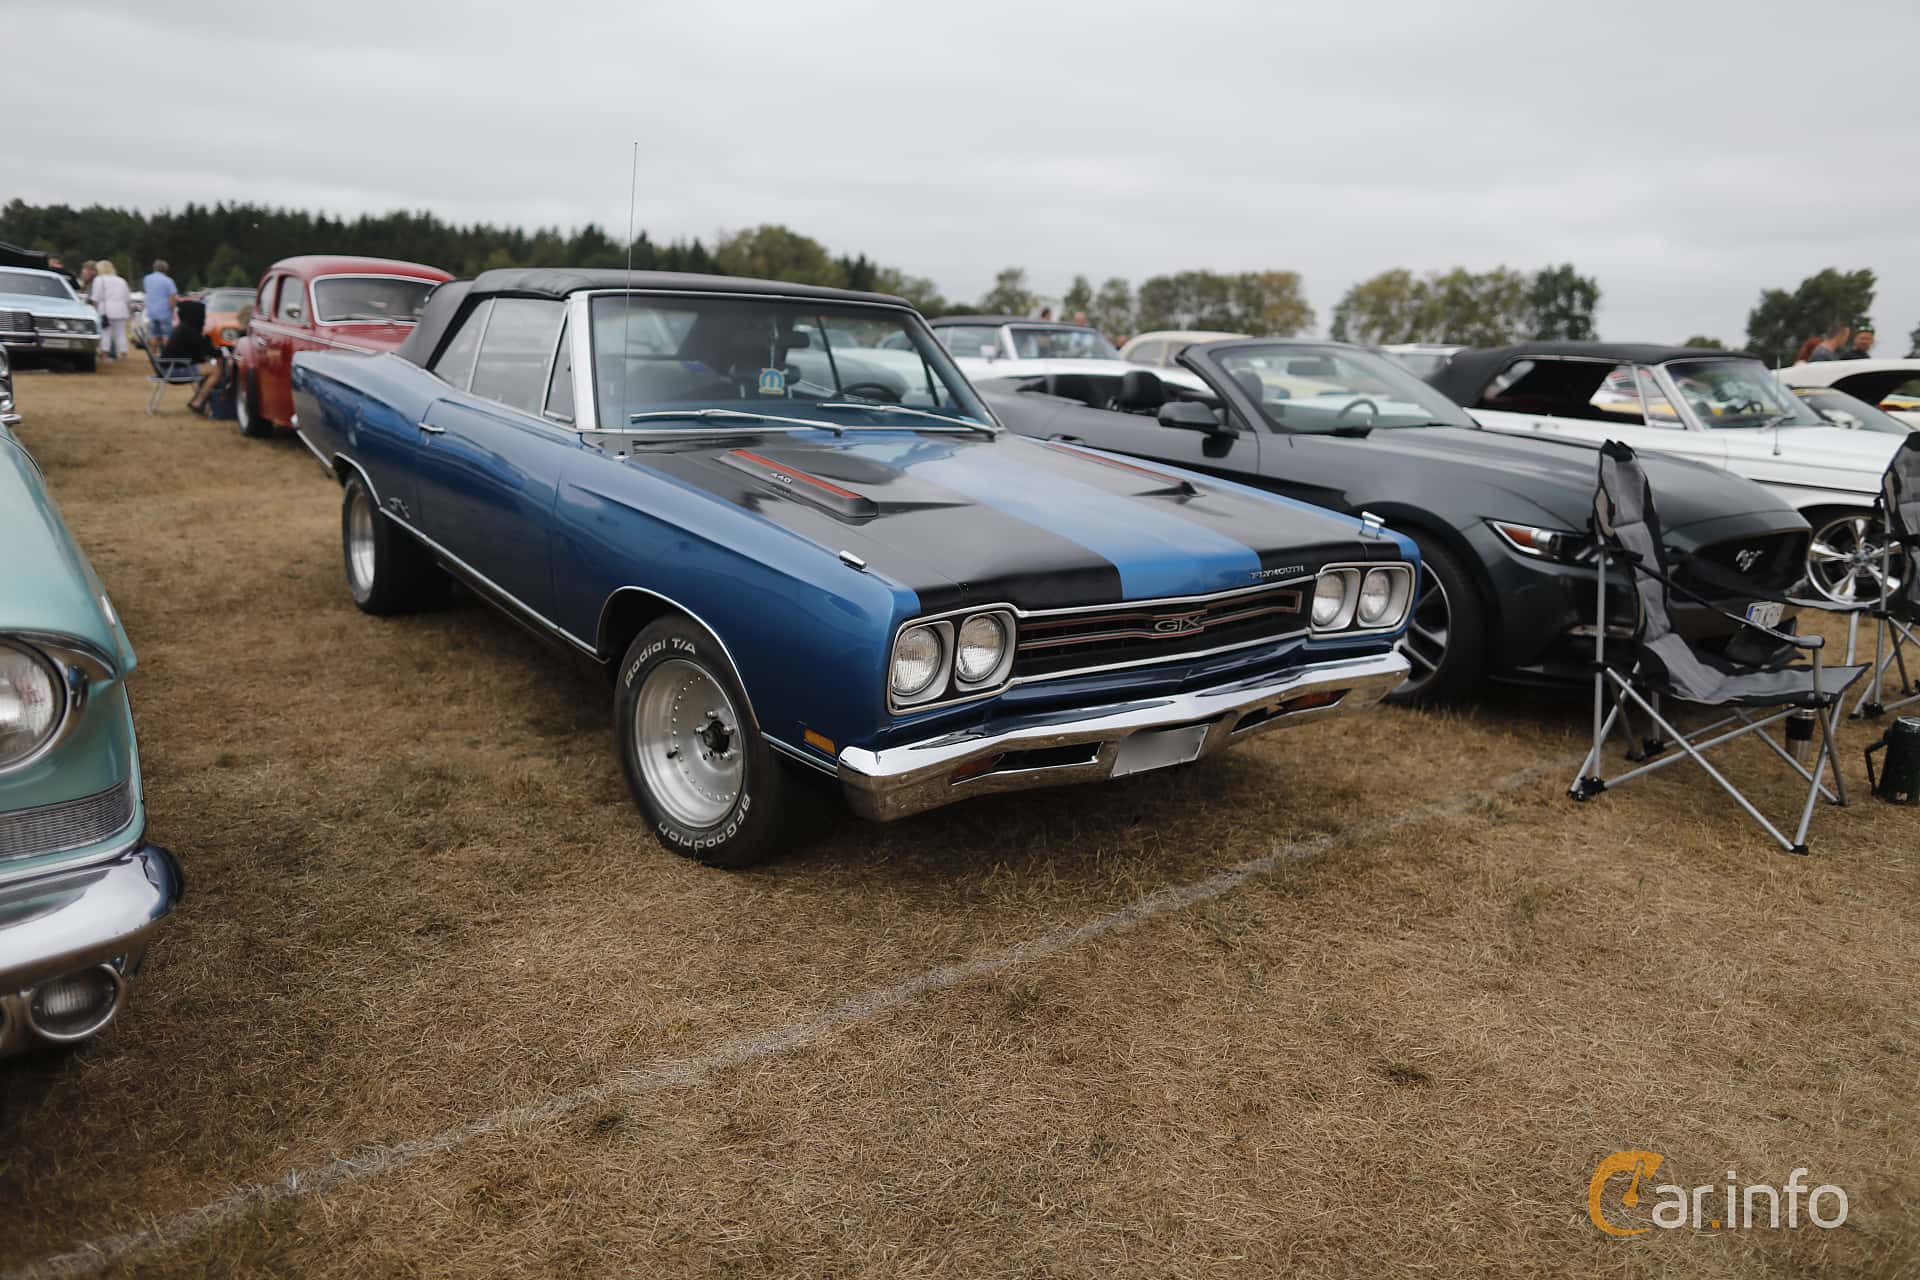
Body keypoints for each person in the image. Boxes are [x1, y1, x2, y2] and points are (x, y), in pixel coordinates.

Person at [160, 298, 222, 413]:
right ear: (196, 315)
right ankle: (198, 402)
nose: (203, 318)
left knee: (208, 366)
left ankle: (197, 400)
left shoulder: (183, 328)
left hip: (169, 368)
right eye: (202, 315)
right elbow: (207, 351)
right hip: (173, 371)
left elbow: (199, 352)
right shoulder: (189, 332)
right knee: (216, 371)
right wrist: (221, 351)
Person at [88, 260, 132, 361]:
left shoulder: (99, 279)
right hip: (121, 309)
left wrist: (95, 309)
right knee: (121, 333)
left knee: (105, 333)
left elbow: (95, 298)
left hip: (106, 310)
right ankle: (123, 354)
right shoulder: (121, 280)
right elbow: (127, 298)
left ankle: (104, 354)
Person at [142, 259, 180, 352]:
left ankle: (153, 353)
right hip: (164, 311)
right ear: (165, 269)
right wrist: (172, 309)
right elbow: (172, 296)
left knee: (153, 334)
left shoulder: (147, 279)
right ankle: (167, 354)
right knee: (166, 334)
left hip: (151, 311)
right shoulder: (168, 281)